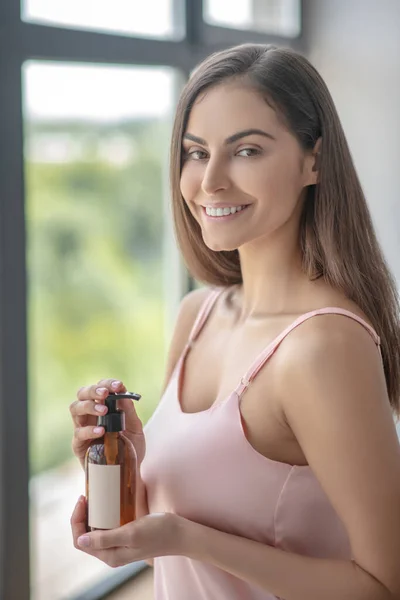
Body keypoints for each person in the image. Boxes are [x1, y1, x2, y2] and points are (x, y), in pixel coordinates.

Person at [69, 43, 400, 600]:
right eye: (196, 153)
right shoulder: (197, 315)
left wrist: (189, 538)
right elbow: (163, 548)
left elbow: (383, 584)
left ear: (312, 161)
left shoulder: (324, 345)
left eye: (246, 150)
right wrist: (123, 464)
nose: (211, 181)